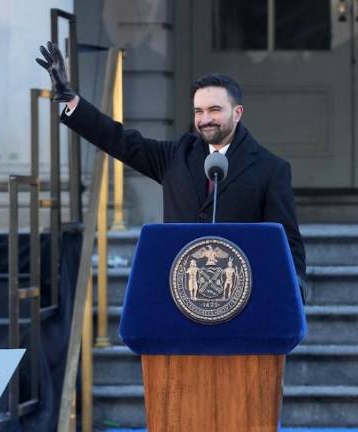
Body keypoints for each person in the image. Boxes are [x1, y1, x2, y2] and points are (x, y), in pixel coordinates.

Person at [36, 41, 308, 301]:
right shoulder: (177, 155)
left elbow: (286, 241)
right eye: (198, 111)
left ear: (237, 113)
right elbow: (119, 140)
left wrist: (294, 285)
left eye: (215, 110)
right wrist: (72, 100)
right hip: (180, 294)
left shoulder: (271, 169)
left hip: (240, 296)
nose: (205, 119)